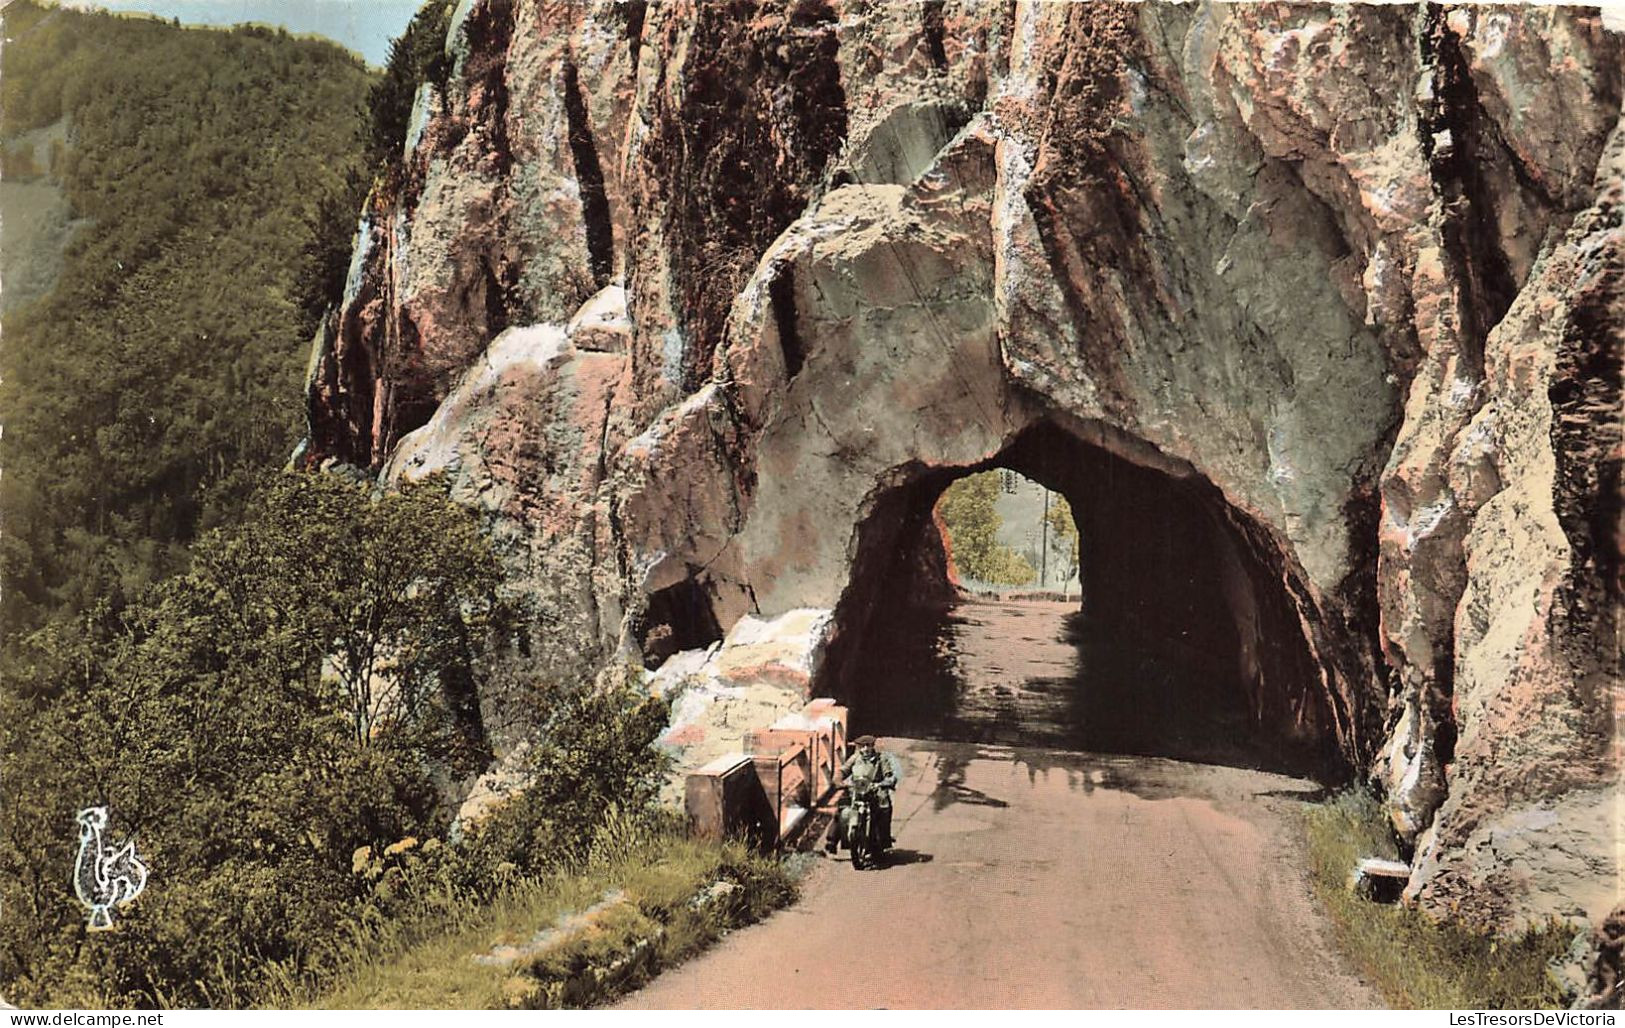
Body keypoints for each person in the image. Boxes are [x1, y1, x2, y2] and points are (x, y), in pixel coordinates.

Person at [824, 735, 902, 854]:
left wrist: (885, 783)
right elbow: (843, 770)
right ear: (858, 747)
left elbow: (889, 775)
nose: (865, 749)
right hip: (856, 791)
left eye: (868, 746)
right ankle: (832, 841)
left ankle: (884, 841)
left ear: (872, 746)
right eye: (862, 746)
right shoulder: (855, 758)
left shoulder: (881, 759)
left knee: (884, 809)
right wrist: (839, 780)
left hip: (874, 792)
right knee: (841, 810)